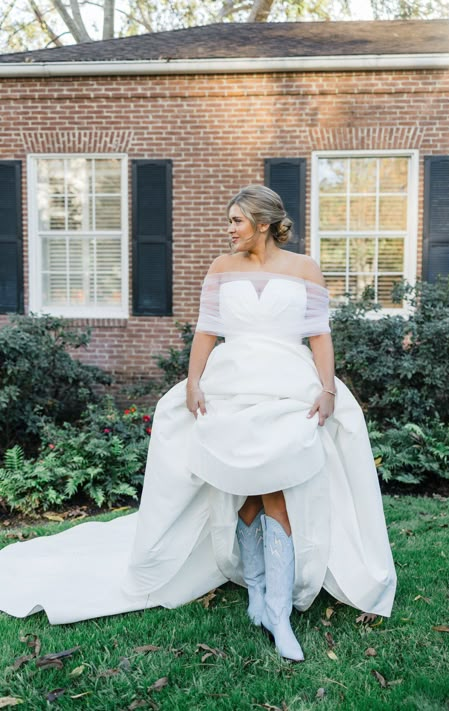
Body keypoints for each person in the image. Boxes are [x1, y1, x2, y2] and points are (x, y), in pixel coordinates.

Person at [0, 186, 396, 663]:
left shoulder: (305, 268)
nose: (228, 229)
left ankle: (278, 611)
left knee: (277, 488)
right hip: (230, 384)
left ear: (263, 223)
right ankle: (257, 595)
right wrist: (192, 383)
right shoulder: (221, 269)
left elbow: (320, 337)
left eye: (236, 221)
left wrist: (328, 389)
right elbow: (206, 332)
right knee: (247, 487)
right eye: (228, 220)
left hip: (289, 387)